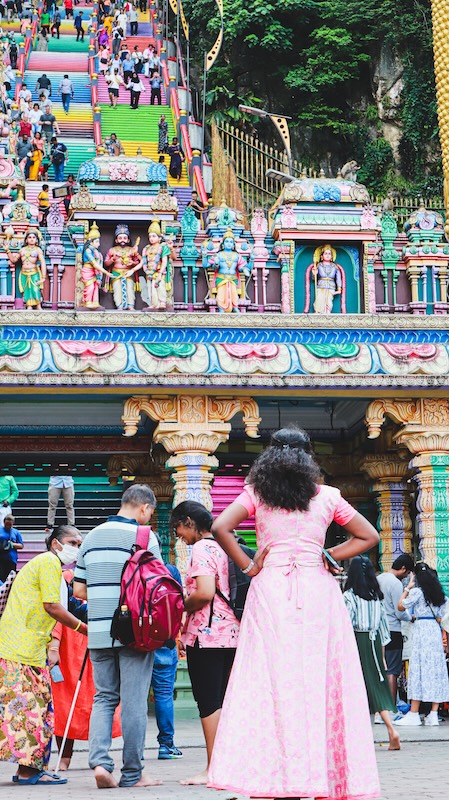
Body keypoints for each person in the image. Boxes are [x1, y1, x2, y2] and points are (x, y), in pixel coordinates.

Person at [207, 427, 381, 799]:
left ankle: (274, 776)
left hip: (271, 590)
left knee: (270, 682)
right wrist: (330, 554)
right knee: (319, 680)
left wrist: (248, 565)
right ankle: (319, 775)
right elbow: (369, 536)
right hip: (318, 592)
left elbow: (220, 526)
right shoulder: (328, 496)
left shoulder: (257, 493)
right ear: (308, 457)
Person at [73, 484, 162, 789]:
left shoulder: (91, 536)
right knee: (134, 702)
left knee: (104, 697)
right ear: (144, 508)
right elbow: (155, 585)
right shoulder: (144, 536)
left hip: (99, 631)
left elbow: (79, 589)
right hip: (135, 631)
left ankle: (100, 763)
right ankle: (133, 774)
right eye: (150, 512)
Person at [0, 525, 88, 785]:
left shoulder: (50, 567)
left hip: (25, 648)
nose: (76, 548)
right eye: (72, 542)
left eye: (80, 543)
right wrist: (83, 629)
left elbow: (64, 604)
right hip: (21, 650)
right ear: (55, 543)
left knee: (32, 711)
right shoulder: (49, 562)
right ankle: (28, 772)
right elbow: (52, 607)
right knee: (32, 713)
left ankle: (27, 770)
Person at [169, 501, 239, 785]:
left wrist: (181, 606)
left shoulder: (202, 548)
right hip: (233, 633)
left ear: (188, 522)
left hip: (207, 636)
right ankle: (229, 765)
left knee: (208, 702)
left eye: (178, 529)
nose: (179, 536)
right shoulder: (227, 545)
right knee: (223, 700)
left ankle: (214, 768)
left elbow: (205, 593)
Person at [49, 569, 121, 770]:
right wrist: (54, 646)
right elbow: (57, 614)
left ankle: (96, 754)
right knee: (65, 705)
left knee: (97, 704)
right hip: (70, 651)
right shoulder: (64, 578)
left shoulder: (100, 579)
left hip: (94, 649)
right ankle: (66, 757)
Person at [343, 556, 400, 751]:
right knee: (377, 686)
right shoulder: (376, 597)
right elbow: (383, 628)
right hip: (375, 643)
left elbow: (346, 624)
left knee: (353, 687)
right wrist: (382, 657)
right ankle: (391, 728)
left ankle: (355, 738)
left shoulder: (349, 596)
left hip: (357, 641)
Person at [394, 561, 449, 727]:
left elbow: (400, 606)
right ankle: (433, 714)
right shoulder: (440, 594)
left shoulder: (417, 592)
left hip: (421, 630)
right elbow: (442, 615)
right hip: (434, 631)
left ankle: (414, 713)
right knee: (435, 670)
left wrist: (407, 588)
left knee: (418, 669)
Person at [151, 563, 183, 760]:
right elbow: (180, 603)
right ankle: (166, 745)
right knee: (163, 694)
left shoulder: (131, 568)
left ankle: (134, 750)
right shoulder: (169, 570)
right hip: (164, 639)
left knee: (135, 697)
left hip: (136, 641)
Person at [377, 553, 415, 711]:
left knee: (380, 669)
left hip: (378, 630)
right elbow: (400, 612)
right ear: (403, 569)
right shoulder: (396, 584)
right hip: (393, 629)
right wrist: (410, 617)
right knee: (392, 670)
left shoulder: (378, 578)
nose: (406, 577)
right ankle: (391, 708)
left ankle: (380, 708)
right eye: (407, 573)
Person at [0, 514, 23, 582]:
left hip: (11, 559)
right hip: (1, 558)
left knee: (11, 579)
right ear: (4, 522)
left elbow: (21, 545)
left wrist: (12, 544)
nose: (8, 526)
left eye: (10, 525)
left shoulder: (16, 532)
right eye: (6, 524)